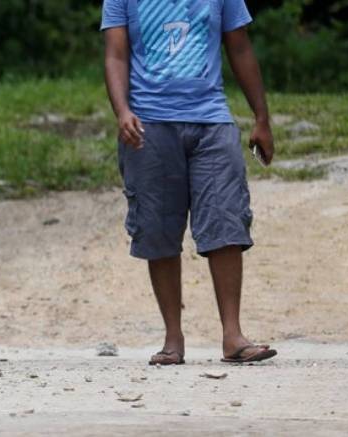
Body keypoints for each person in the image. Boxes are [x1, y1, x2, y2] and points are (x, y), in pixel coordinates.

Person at [101, 0, 277, 364]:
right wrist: (122, 111)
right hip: (149, 124)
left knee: (225, 219)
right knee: (158, 228)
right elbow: (116, 55)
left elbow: (240, 45)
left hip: (212, 120)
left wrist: (261, 117)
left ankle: (233, 336)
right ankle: (172, 340)